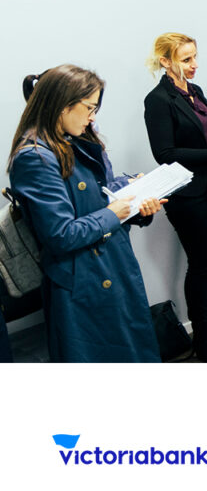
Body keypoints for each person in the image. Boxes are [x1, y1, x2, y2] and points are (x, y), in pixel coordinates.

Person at [7, 65, 164, 362]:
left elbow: (97, 192)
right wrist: (113, 213)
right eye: (89, 108)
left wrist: (134, 196)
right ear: (62, 105)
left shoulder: (78, 138)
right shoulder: (34, 157)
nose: (93, 116)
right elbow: (60, 234)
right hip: (82, 281)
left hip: (114, 265)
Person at [144, 33, 207, 363]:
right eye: (186, 59)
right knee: (201, 265)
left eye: (194, 57)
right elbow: (165, 153)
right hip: (189, 195)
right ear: (165, 61)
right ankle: (203, 339)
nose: (194, 64)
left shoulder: (196, 92)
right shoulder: (158, 100)